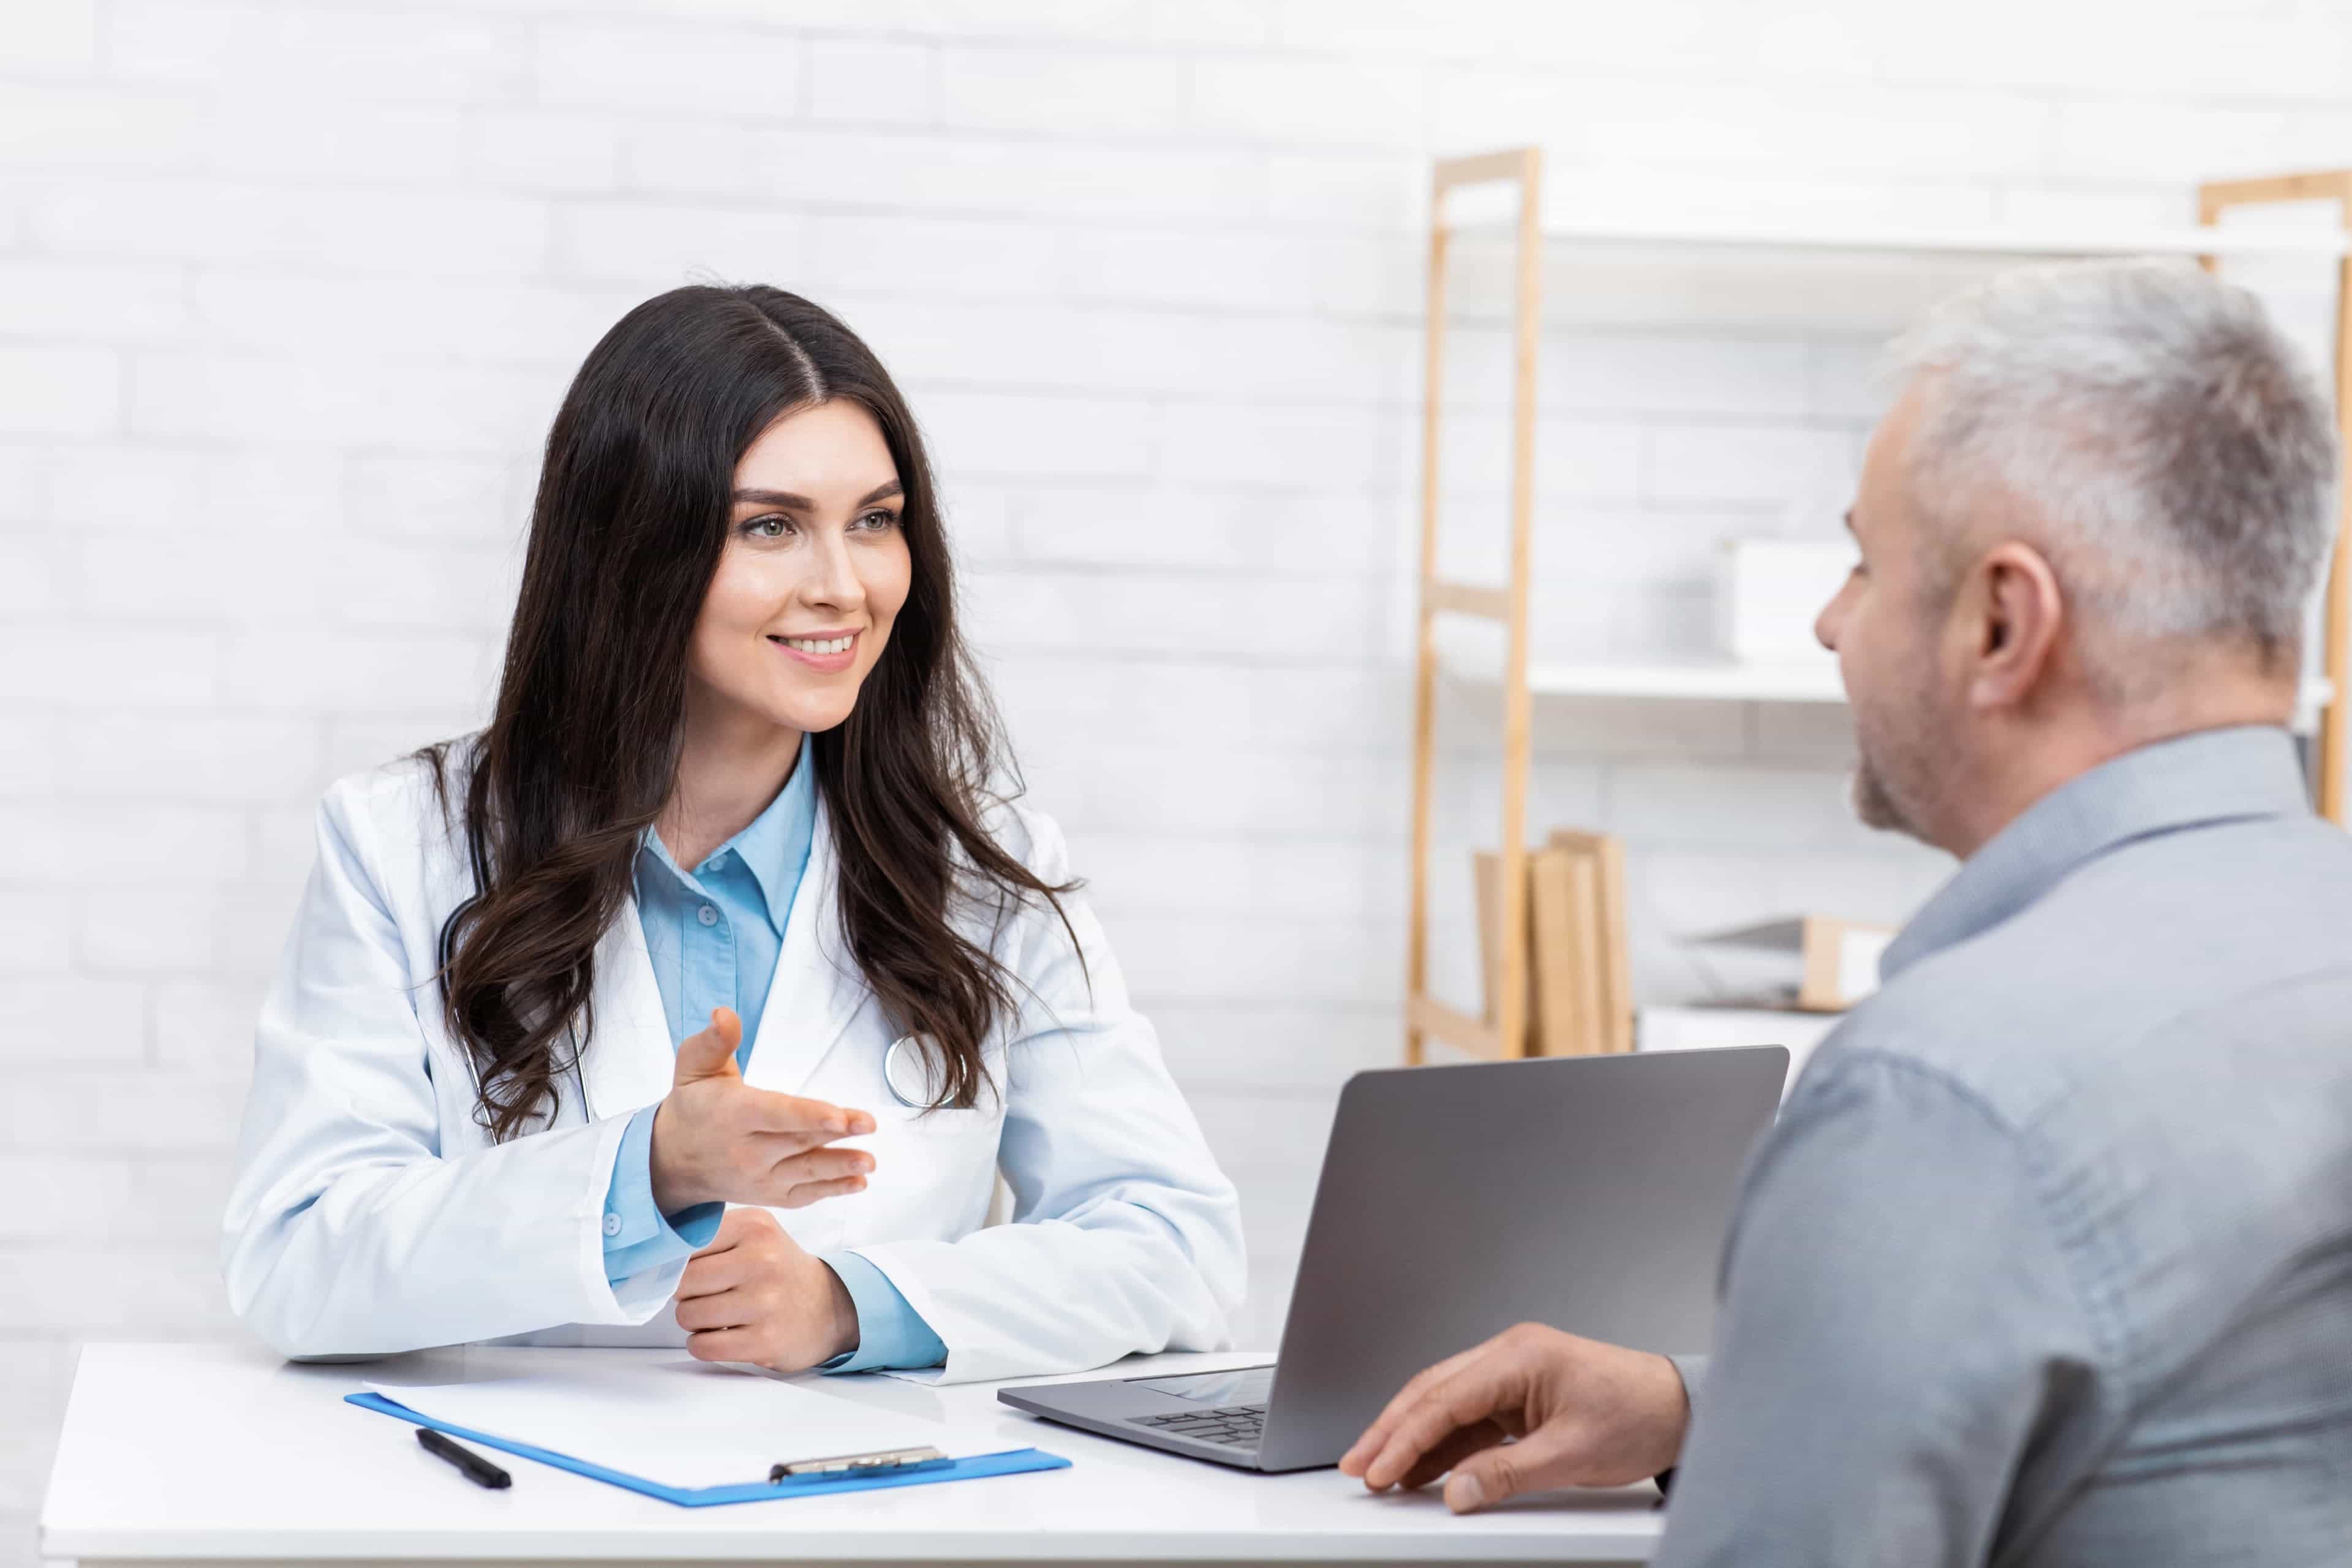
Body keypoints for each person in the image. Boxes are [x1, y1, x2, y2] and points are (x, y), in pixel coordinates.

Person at [1341, 260, 2352, 1563]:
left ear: (2002, 622)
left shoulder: (1948, 1096)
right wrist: (1707, 1402)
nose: (1828, 623)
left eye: (1865, 565)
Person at [221, 286, 1244, 1383]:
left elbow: (1176, 1245)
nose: (845, 588)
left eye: (875, 520)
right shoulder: (402, 846)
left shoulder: (985, 872)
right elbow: (296, 1260)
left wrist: (856, 1307)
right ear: (631, 549)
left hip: (872, 1512)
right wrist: (649, 1172)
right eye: (772, 527)